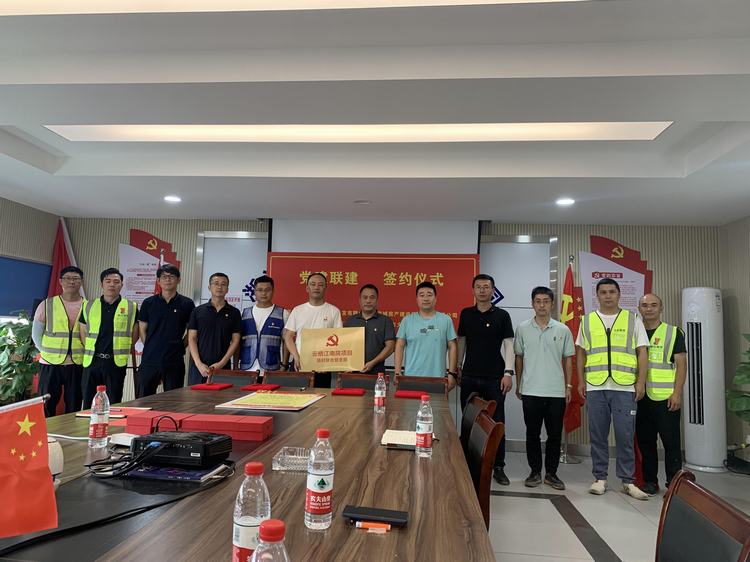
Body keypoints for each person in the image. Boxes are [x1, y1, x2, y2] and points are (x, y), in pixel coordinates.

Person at [576, 277, 649, 500]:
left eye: (612, 292)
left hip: (625, 387)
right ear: (597, 295)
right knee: (598, 434)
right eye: (603, 292)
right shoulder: (587, 320)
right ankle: (600, 478)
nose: (607, 295)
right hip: (595, 386)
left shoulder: (633, 319)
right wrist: (581, 381)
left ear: (619, 294)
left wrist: (640, 382)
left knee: (625, 435)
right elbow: (581, 353)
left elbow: (642, 352)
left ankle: (628, 481)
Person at [514, 286, 575, 490]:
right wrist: (519, 384)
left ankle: (551, 473)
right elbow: (519, 357)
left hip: (556, 392)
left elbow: (568, 359)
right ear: (532, 304)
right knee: (532, 434)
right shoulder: (523, 328)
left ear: (552, 304)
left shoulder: (562, 329)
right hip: (531, 390)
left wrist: (568, 386)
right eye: (538, 301)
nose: (542, 305)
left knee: (554, 435)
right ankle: (534, 472)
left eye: (546, 301)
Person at [457, 273, 515, 485]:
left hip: (495, 378)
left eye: (486, 287)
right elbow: (461, 342)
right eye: (478, 287)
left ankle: (498, 466)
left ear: (493, 290)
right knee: (469, 421)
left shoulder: (502, 315)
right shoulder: (466, 314)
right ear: (473, 290)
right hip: (469, 376)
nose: (482, 290)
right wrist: (458, 367)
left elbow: (509, 345)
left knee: (497, 423)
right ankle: (466, 463)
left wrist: (508, 373)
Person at [636, 293, 687, 495]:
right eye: (644, 305)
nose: (649, 309)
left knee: (671, 442)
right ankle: (650, 481)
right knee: (646, 442)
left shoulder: (673, 332)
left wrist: (677, 393)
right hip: (641, 397)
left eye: (653, 305)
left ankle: (673, 485)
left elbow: (681, 364)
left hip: (666, 397)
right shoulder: (635, 332)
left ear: (661, 308)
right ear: (639, 309)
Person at [32, 266, 86, 417]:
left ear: (81, 281)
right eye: (68, 278)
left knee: (74, 405)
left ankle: (70, 431)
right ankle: (46, 431)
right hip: (50, 364)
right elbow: (36, 335)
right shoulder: (47, 304)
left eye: (76, 278)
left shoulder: (89, 306)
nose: (72, 282)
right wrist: (48, 353)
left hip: (77, 363)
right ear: (61, 281)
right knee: (46, 405)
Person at [79, 268, 138, 405]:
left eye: (116, 282)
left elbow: (134, 334)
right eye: (108, 281)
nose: (112, 284)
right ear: (102, 284)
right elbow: (82, 331)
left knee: (113, 402)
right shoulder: (89, 305)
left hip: (115, 362)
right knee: (89, 401)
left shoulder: (131, 307)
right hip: (92, 361)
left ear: (122, 285)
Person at [137, 264, 195, 396]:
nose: (168, 279)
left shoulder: (187, 304)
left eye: (172, 276)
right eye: (164, 277)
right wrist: (150, 346)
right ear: (158, 281)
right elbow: (142, 329)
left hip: (174, 359)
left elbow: (191, 331)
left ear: (178, 280)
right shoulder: (148, 303)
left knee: (173, 399)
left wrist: (181, 346)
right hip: (150, 359)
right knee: (144, 398)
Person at [283, 272, 343, 388]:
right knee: (297, 397)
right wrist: (296, 356)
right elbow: (288, 336)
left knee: (321, 398)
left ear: (325, 288)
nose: (316, 287)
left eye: (320, 285)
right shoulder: (298, 310)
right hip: (300, 364)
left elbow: (338, 339)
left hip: (323, 366)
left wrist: (328, 361)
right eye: (313, 284)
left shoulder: (334, 311)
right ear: (307, 288)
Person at [394, 281, 457, 386]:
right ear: (417, 299)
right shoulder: (407, 320)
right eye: (422, 295)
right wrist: (397, 372)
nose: (426, 298)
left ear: (436, 298)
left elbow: (453, 346)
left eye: (429, 295)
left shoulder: (446, 320)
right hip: (411, 377)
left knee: (436, 398)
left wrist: (451, 373)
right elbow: (399, 345)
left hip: (437, 378)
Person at [187, 272, 241, 385]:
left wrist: (222, 363)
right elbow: (192, 338)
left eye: (223, 284)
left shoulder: (234, 313)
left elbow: (235, 340)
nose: (219, 287)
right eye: (216, 283)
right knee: (195, 396)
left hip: (223, 367)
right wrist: (198, 364)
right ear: (209, 287)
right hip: (199, 368)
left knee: (221, 395)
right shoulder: (198, 311)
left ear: (227, 289)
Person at [239, 274, 289, 377]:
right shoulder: (244, 313)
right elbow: (237, 341)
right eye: (260, 290)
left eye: (267, 290)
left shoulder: (282, 313)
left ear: (273, 291)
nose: (263, 293)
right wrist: (236, 365)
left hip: (272, 369)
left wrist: (284, 365)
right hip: (247, 368)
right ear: (254, 291)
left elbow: (287, 342)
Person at [343, 284, 395, 374]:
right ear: (360, 300)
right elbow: (343, 346)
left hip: (377, 372)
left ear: (377, 300)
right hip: (351, 372)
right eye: (365, 297)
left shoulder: (385, 321)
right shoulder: (350, 321)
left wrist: (373, 363)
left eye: (372, 297)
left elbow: (390, 347)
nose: (368, 301)